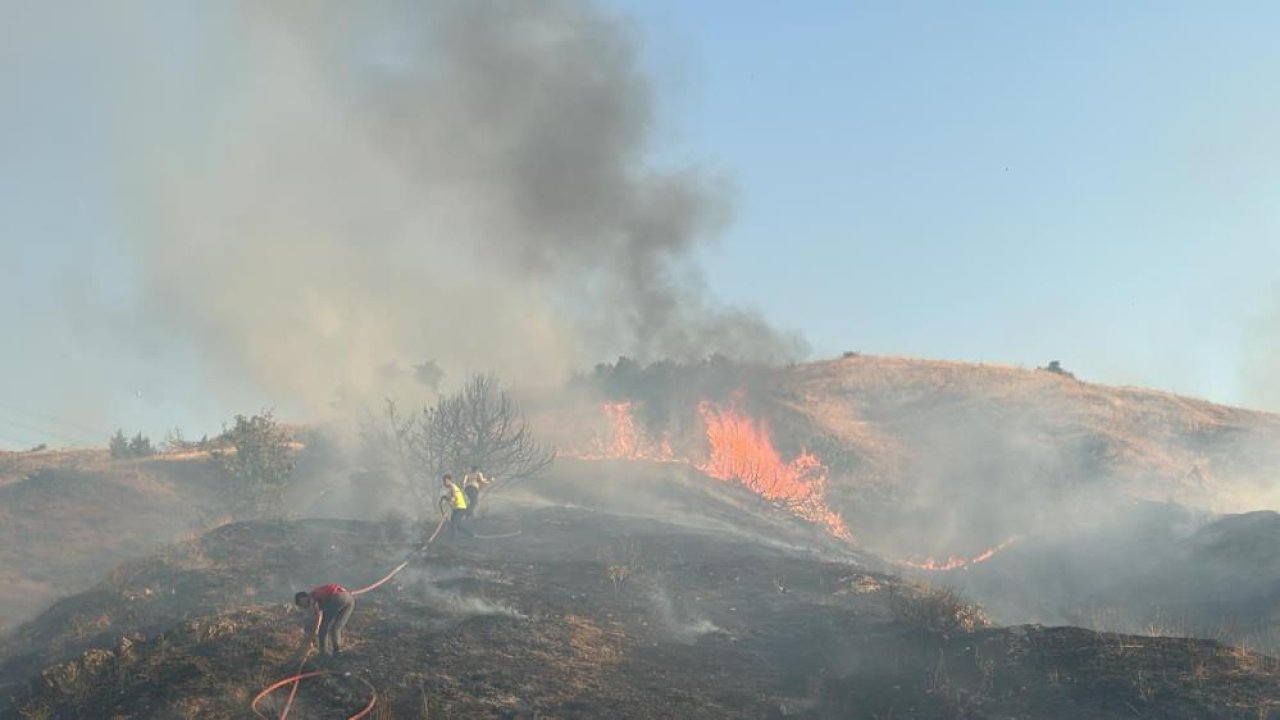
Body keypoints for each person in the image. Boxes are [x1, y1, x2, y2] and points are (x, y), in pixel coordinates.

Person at [294, 583, 355, 657]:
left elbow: (319, 616)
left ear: (303, 598)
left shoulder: (312, 597)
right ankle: (337, 651)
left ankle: (323, 653)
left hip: (338, 597)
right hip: (349, 599)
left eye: (301, 604)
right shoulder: (315, 595)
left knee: (323, 627)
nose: (303, 607)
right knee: (337, 627)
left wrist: (316, 631)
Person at [441, 473, 471, 540]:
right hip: (457, 508)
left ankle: (452, 541)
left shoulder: (452, 486)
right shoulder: (452, 487)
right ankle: (471, 534)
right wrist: (446, 498)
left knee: (453, 525)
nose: (444, 483)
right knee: (456, 525)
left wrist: (450, 501)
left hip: (460, 508)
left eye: (444, 481)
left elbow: (454, 497)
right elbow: (451, 496)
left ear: (448, 480)